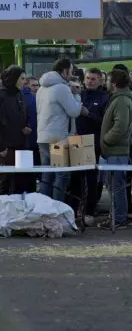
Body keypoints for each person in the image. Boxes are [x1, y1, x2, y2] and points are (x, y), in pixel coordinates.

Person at [36, 58, 84, 202]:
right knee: (61, 174)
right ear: (64, 71)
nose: (71, 74)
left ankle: (43, 208)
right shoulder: (62, 88)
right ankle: (57, 208)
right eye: (71, 71)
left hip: (42, 136)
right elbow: (74, 111)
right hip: (57, 139)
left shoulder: (41, 88)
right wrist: (77, 94)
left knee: (46, 175)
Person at [69, 69, 108, 219]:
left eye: (93, 79)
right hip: (76, 140)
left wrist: (88, 114)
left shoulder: (104, 98)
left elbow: (104, 122)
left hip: (92, 143)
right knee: (75, 178)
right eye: (88, 78)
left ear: (100, 81)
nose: (90, 81)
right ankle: (73, 210)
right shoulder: (79, 95)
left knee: (91, 178)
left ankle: (90, 211)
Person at [0, 66, 34, 195]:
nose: (24, 81)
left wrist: (26, 126)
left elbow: (24, 116)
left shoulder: (19, 95)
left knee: (19, 182)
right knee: (5, 180)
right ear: (14, 79)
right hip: (7, 147)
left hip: (20, 144)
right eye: (22, 78)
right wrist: (0, 147)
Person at [98, 69, 132, 230]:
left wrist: (106, 139)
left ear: (115, 83)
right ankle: (116, 217)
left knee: (117, 186)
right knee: (113, 185)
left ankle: (119, 218)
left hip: (116, 151)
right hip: (113, 151)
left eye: (108, 80)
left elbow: (120, 126)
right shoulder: (119, 99)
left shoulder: (122, 101)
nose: (106, 83)